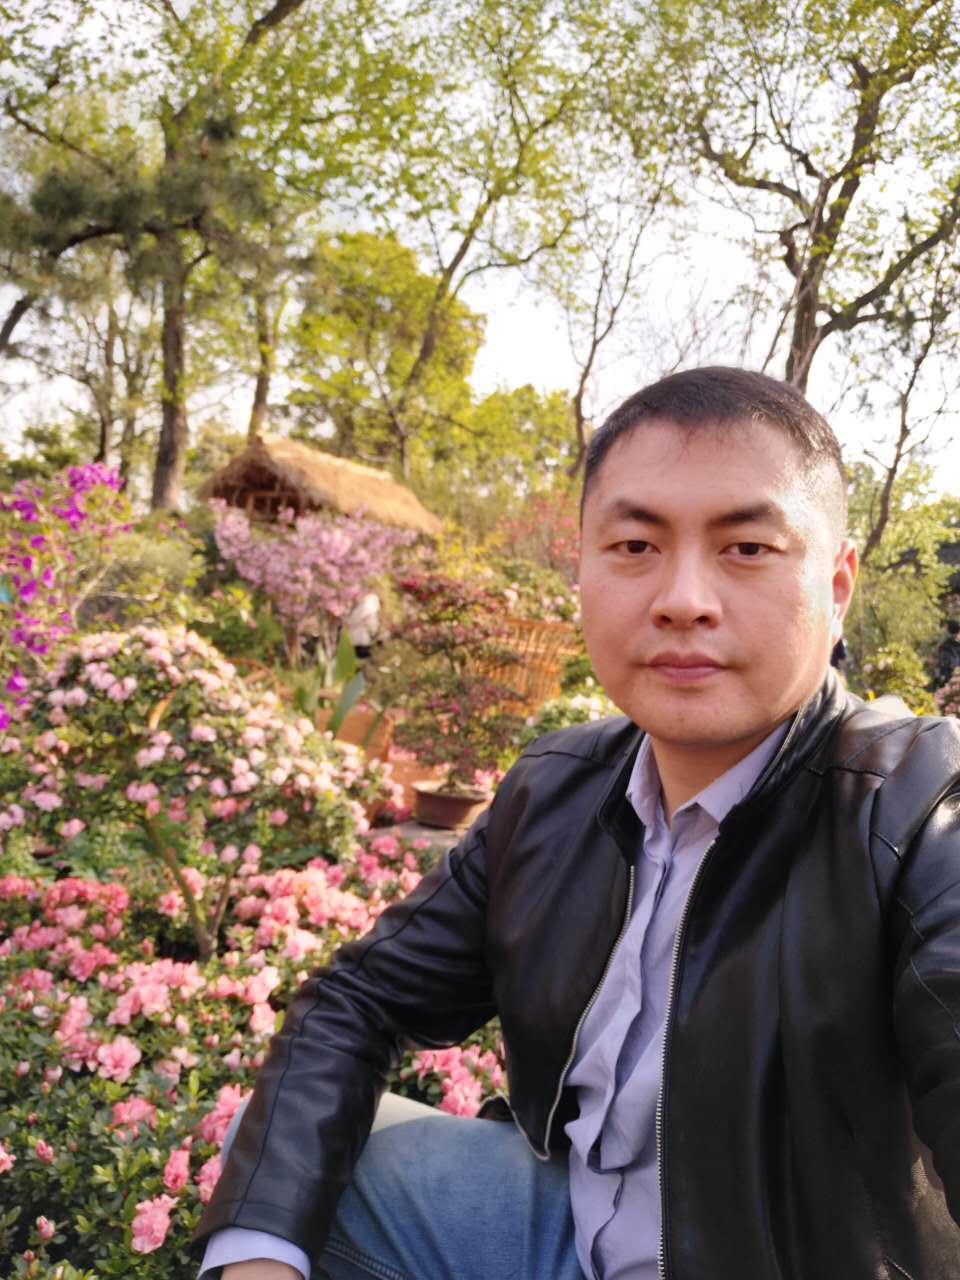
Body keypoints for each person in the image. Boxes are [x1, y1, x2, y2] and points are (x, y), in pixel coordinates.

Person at [195, 367, 960, 1280]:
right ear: (585, 573)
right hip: (575, 1230)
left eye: (747, 547)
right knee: (275, 1180)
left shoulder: (918, 813)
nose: (683, 598)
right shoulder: (555, 789)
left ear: (836, 587)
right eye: (635, 545)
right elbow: (359, 999)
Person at [936, 618, 960, 689]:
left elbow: (942, 663)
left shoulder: (944, 645)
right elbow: (944, 663)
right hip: (950, 676)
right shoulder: (946, 646)